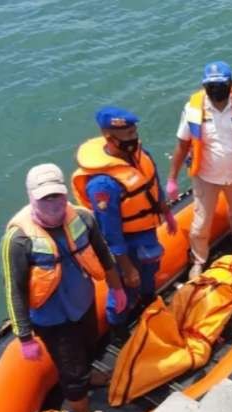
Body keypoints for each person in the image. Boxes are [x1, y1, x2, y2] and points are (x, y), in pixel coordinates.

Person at [1, 163, 127, 412]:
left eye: (57, 196)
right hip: (53, 319)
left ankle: (88, 375)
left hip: (84, 304)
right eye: (45, 198)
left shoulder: (82, 217)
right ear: (32, 198)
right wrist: (25, 337)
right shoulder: (18, 240)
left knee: (91, 346)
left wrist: (117, 288)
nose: (53, 204)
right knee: (72, 371)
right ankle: (81, 408)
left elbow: (103, 254)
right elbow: (14, 290)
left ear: (65, 193)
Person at [71, 107, 177, 340]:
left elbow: (153, 184)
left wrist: (166, 212)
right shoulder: (103, 185)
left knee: (149, 272)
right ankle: (118, 327)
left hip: (146, 233)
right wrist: (126, 267)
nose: (134, 137)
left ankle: (149, 303)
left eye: (133, 131)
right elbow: (110, 234)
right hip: (126, 244)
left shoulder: (139, 155)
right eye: (128, 134)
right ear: (111, 138)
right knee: (123, 290)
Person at [166, 61, 232, 278]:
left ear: (231, 84)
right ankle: (199, 259)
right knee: (201, 221)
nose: (215, 90)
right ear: (204, 86)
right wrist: (172, 178)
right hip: (206, 177)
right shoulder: (193, 108)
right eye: (211, 86)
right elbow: (182, 144)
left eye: (220, 85)